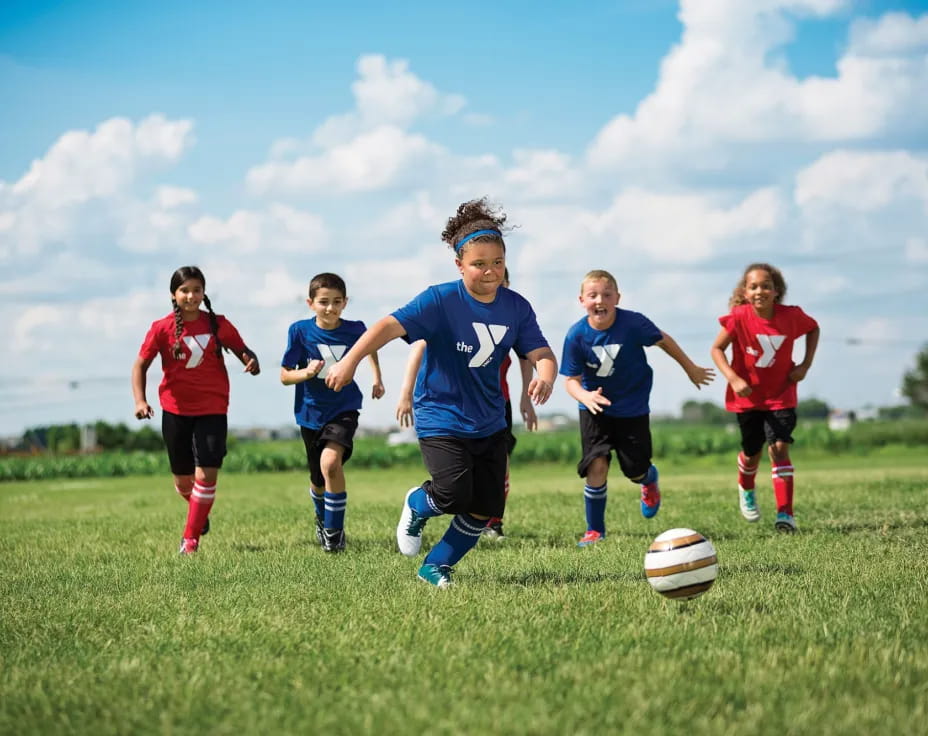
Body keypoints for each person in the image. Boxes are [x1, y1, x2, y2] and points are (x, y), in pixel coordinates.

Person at [325, 198, 558, 588]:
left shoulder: (517, 307)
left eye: (497, 262)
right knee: (451, 494)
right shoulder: (440, 299)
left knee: (485, 507)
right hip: (441, 414)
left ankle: (436, 566)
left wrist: (546, 375)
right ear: (459, 265)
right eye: (479, 263)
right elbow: (388, 325)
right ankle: (419, 503)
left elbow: (541, 352)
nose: (490, 271)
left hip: (490, 419)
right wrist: (350, 361)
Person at [560, 269, 715, 547]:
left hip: (632, 408)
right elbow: (570, 381)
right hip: (594, 409)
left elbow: (663, 339)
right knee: (596, 465)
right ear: (581, 300)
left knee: (634, 470)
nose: (600, 300)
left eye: (607, 295)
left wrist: (690, 368)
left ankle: (648, 478)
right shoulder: (576, 336)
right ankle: (595, 531)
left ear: (617, 298)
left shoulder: (633, 324)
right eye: (593, 295)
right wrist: (584, 396)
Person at [394, 269, 537, 541]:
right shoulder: (454, 312)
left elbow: (528, 355)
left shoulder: (512, 314)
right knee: (456, 490)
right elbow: (420, 348)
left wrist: (525, 397)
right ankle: (423, 505)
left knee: (499, 466)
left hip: (496, 405)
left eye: (502, 279)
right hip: (452, 407)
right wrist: (405, 393)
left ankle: (493, 522)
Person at [131, 266, 260, 555]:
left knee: (207, 475)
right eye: (185, 290)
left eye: (197, 290)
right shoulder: (160, 328)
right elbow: (140, 365)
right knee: (182, 481)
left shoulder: (218, 325)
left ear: (204, 293)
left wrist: (250, 362)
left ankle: (190, 539)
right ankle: (198, 513)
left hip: (213, 408)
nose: (191, 296)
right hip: (175, 410)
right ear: (173, 295)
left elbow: (244, 351)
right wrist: (140, 401)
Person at [710, 262, 819, 533]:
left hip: (782, 395)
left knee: (779, 448)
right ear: (745, 292)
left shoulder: (791, 316)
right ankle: (746, 486)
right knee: (752, 453)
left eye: (766, 286)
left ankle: (786, 515)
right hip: (748, 399)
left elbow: (814, 328)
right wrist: (734, 379)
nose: (760, 291)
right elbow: (716, 349)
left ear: (776, 291)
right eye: (754, 286)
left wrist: (805, 365)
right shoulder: (738, 317)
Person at [280, 272, 385, 552]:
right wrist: (306, 372)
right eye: (324, 301)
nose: (330, 308)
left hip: (344, 408)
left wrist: (376, 377)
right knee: (317, 481)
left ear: (345, 302)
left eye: (337, 301)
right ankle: (322, 517)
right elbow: (284, 376)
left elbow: (370, 347)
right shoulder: (299, 331)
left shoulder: (355, 329)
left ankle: (334, 534)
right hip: (310, 413)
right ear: (310, 303)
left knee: (330, 464)